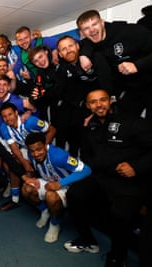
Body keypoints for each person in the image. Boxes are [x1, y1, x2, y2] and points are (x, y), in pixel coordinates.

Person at [64, 89, 152, 267]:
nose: (99, 105)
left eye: (103, 100)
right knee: (74, 194)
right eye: (94, 102)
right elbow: (87, 154)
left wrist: (136, 167)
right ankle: (88, 241)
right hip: (102, 178)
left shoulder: (131, 121)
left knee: (119, 213)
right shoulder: (90, 125)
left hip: (129, 181)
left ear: (110, 101)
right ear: (88, 106)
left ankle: (117, 257)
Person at [77, 9, 152, 123]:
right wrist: (83, 55)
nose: (92, 30)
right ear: (82, 33)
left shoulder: (129, 32)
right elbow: (81, 45)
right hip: (132, 89)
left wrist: (137, 65)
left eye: (95, 24)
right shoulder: (90, 44)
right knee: (121, 125)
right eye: (86, 28)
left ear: (102, 22)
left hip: (149, 78)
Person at [21, 133, 91, 243]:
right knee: (26, 189)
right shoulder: (31, 155)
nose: (35, 154)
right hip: (48, 181)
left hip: (66, 185)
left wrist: (60, 183)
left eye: (39, 149)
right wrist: (31, 177)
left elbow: (87, 170)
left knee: (51, 196)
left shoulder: (59, 155)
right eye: (32, 151)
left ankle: (55, 224)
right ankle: (45, 211)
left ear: (45, 145)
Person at [0, 102, 56, 211]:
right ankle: (15, 199)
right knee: (13, 163)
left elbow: (52, 130)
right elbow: (14, 147)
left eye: (10, 114)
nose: (7, 118)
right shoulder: (4, 127)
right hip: (26, 149)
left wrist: (42, 148)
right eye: (4, 116)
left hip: (43, 149)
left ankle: (39, 198)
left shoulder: (30, 122)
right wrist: (24, 163)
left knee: (40, 173)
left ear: (16, 113)